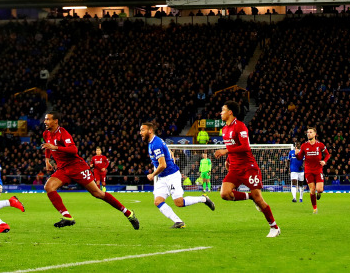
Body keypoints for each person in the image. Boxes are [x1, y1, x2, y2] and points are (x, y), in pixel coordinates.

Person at [41, 112, 139, 229]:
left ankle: (128, 213)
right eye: (45, 119)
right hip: (63, 169)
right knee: (49, 187)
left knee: (98, 193)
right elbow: (47, 146)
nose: (45, 121)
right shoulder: (46, 133)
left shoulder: (63, 133)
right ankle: (67, 217)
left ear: (55, 121)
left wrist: (56, 147)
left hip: (77, 167)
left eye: (48, 119)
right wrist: (47, 161)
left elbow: (73, 150)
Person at [212, 101, 281, 237]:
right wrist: (228, 160)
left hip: (248, 167)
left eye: (223, 110)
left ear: (230, 112)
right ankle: (250, 197)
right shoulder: (224, 129)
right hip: (235, 168)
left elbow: (245, 147)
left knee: (259, 199)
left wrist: (226, 151)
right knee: (224, 194)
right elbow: (233, 146)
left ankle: (274, 227)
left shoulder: (240, 126)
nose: (221, 113)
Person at [141, 121, 215, 228]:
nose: (140, 132)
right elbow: (168, 150)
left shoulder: (155, 144)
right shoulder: (154, 141)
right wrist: (170, 153)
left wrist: (152, 174)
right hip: (162, 177)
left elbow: (163, 165)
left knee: (179, 202)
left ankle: (203, 199)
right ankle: (178, 221)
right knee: (158, 201)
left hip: (171, 176)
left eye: (143, 130)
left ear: (150, 131)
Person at [297, 127, 331, 213]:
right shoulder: (304, 146)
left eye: (310, 132)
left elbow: (327, 155)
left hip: (318, 170)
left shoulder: (320, 145)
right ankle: (315, 208)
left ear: (315, 134)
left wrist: (324, 161)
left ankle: (319, 193)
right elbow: (300, 157)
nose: (308, 134)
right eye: (308, 132)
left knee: (320, 189)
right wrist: (297, 154)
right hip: (308, 170)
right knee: (312, 190)